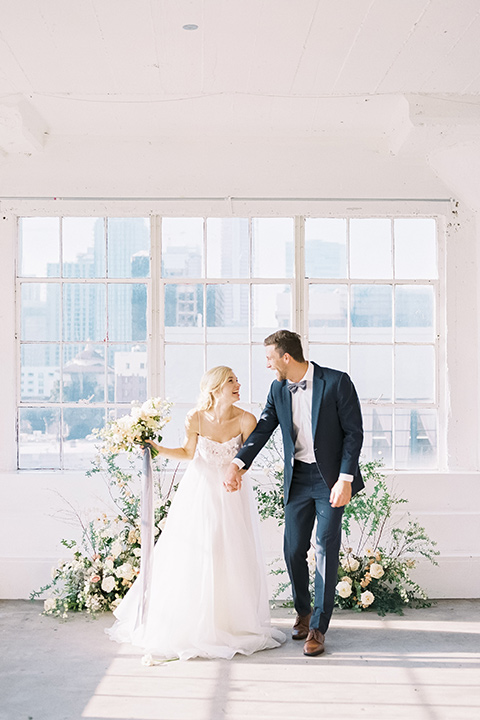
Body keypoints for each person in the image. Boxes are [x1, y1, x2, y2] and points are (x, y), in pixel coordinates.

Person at [106, 366, 285, 661]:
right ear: (215, 388)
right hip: (199, 491)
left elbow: (248, 456)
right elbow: (189, 453)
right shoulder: (195, 417)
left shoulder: (246, 419)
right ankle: (194, 620)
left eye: (237, 380)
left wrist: (238, 473)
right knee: (198, 551)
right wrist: (156, 449)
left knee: (229, 552)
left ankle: (229, 621)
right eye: (231, 381)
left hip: (231, 492)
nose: (238, 384)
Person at [225, 330, 364, 657]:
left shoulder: (337, 382)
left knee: (325, 550)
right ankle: (302, 610)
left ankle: (318, 626)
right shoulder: (278, 389)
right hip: (298, 478)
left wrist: (344, 478)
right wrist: (237, 463)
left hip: (331, 479)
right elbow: (263, 428)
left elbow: (353, 434)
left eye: (270, 359)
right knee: (292, 550)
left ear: (286, 357)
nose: (269, 366)